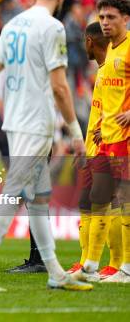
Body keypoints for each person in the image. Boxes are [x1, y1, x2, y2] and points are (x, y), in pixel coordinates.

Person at [0, 0, 92, 291]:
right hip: (36, 122)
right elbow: (61, 88)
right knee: (14, 194)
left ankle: (55, 272)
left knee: (37, 199)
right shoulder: (53, 28)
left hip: (14, 122)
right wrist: (76, 134)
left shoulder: (13, 24)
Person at [75, 0, 130, 283]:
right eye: (102, 17)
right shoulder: (111, 55)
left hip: (126, 140)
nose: (105, 22)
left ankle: (126, 269)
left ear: (125, 18)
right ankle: (90, 267)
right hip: (106, 138)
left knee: (125, 203)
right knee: (98, 200)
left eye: (111, 17)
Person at [66, 21, 121, 280]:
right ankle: (86, 261)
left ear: (89, 41)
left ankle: (114, 263)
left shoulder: (115, 66)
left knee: (109, 205)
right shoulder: (102, 70)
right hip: (93, 147)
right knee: (88, 203)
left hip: (110, 144)